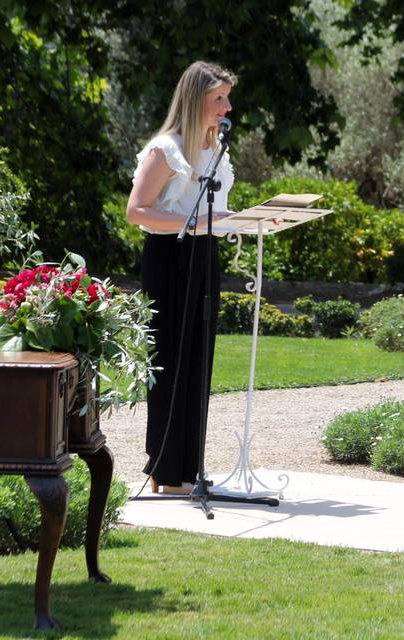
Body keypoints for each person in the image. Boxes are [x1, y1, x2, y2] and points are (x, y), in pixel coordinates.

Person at [126, 61, 237, 495]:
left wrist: (258, 220)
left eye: (227, 98)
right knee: (170, 360)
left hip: (205, 257)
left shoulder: (215, 152)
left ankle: (189, 470)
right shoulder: (165, 149)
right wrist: (194, 223)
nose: (227, 108)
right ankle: (164, 470)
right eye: (218, 99)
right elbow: (137, 212)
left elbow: (217, 210)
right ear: (196, 100)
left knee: (198, 361)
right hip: (169, 258)